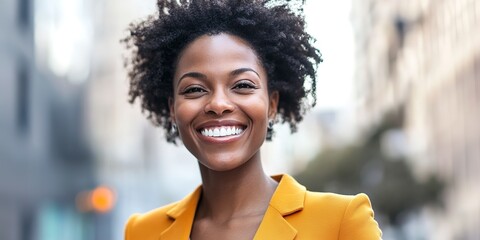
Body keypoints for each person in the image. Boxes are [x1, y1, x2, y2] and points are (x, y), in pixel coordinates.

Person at [123, 0, 382, 239]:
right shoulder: (142, 231)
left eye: (243, 85)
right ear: (172, 109)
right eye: (194, 89)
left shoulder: (342, 221)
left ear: (271, 104)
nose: (218, 104)